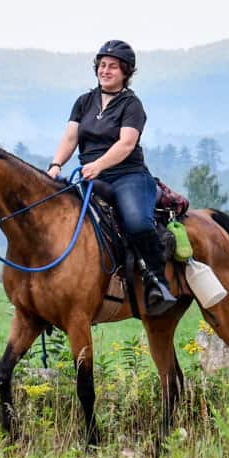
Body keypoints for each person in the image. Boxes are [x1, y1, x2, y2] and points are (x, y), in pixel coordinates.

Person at [46, 40, 178, 316]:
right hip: (89, 175)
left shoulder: (132, 104)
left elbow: (126, 143)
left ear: (125, 72)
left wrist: (99, 164)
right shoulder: (84, 102)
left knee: (137, 223)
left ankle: (158, 282)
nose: (105, 71)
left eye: (113, 67)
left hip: (127, 175)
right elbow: (71, 137)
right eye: (102, 65)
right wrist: (56, 165)